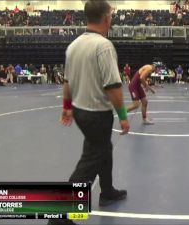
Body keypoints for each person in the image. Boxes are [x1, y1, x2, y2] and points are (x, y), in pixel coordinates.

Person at [51, 1, 130, 224]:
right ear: (106, 18)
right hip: (97, 114)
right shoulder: (103, 46)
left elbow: (67, 81)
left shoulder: (74, 45)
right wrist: (123, 117)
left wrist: (67, 108)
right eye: (111, 16)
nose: (111, 19)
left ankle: (106, 192)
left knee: (103, 148)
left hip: (80, 111)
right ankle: (60, 216)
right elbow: (113, 86)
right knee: (90, 162)